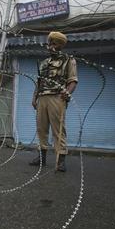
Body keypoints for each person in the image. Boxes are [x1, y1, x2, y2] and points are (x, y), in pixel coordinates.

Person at [29, 31, 78, 172]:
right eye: (49, 43)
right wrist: (34, 97)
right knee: (41, 129)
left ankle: (61, 160)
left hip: (57, 97)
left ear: (60, 45)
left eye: (54, 43)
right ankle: (41, 158)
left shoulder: (69, 60)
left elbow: (73, 80)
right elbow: (39, 82)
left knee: (59, 130)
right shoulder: (44, 63)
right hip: (42, 97)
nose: (50, 46)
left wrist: (67, 92)